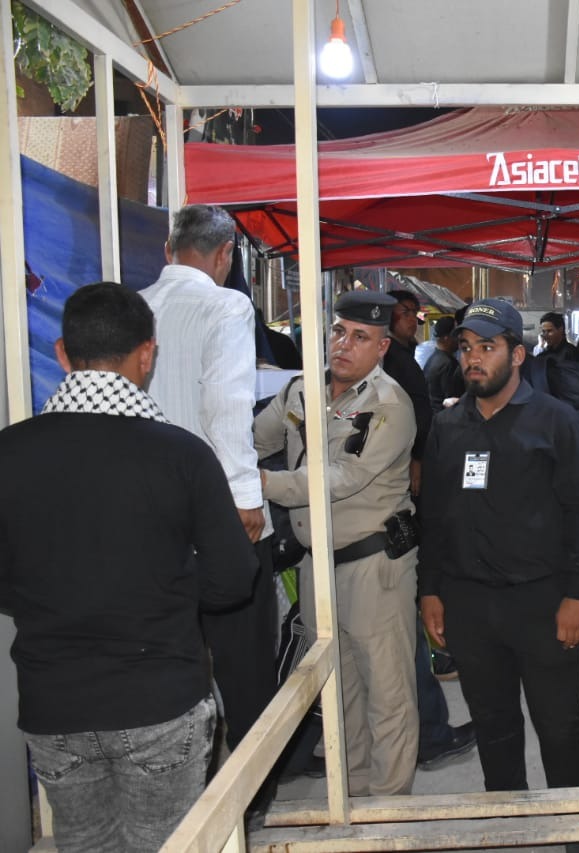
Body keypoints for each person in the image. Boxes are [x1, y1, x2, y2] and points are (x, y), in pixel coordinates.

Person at [0, 283, 255, 852]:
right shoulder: (182, 454)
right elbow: (233, 580)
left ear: (62, 353)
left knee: (82, 842)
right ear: (146, 354)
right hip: (158, 697)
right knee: (167, 842)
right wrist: (162, 590)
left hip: (53, 700)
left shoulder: (8, 452)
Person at [417, 299, 579, 844]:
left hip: (542, 604)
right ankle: (511, 827)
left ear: (517, 355)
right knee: (494, 726)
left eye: (487, 347)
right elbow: (434, 516)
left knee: (560, 726)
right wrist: (430, 591)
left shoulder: (556, 420)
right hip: (470, 607)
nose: (473, 359)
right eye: (466, 348)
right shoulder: (448, 425)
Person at [254, 291, 419, 797]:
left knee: (387, 697)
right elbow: (258, 439)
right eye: (339, 332)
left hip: (373, 567)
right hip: (317, 566)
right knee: (338, 694)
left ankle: (387, 818)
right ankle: (352, 801)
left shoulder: (389, 406)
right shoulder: (300, 390)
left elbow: (341, 477)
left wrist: (262, 484)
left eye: (360, 337)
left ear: (382, 347)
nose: (344, 345)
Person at [138, 204, 278, 754]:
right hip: (215, 514)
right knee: (244, 663)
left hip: (151, 522)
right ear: (225, 255)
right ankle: (253, 787)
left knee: (172, 660)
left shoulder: (137, 307)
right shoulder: (226, 306)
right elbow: (225, 405)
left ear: (168, 250)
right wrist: (246, 498)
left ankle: (187, 778)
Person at [385, 289, 434, 497]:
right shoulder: (390, 357)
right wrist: (417, 458)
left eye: (414, 313)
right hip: (398, 454)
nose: (412, 320)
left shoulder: (406, 355)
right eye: (405, 313)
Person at [424, 315, 465, 412]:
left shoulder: (433, 358)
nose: (459, 337)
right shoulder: (448, 364)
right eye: (456, 333)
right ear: (446, 337)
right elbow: (451, 399)